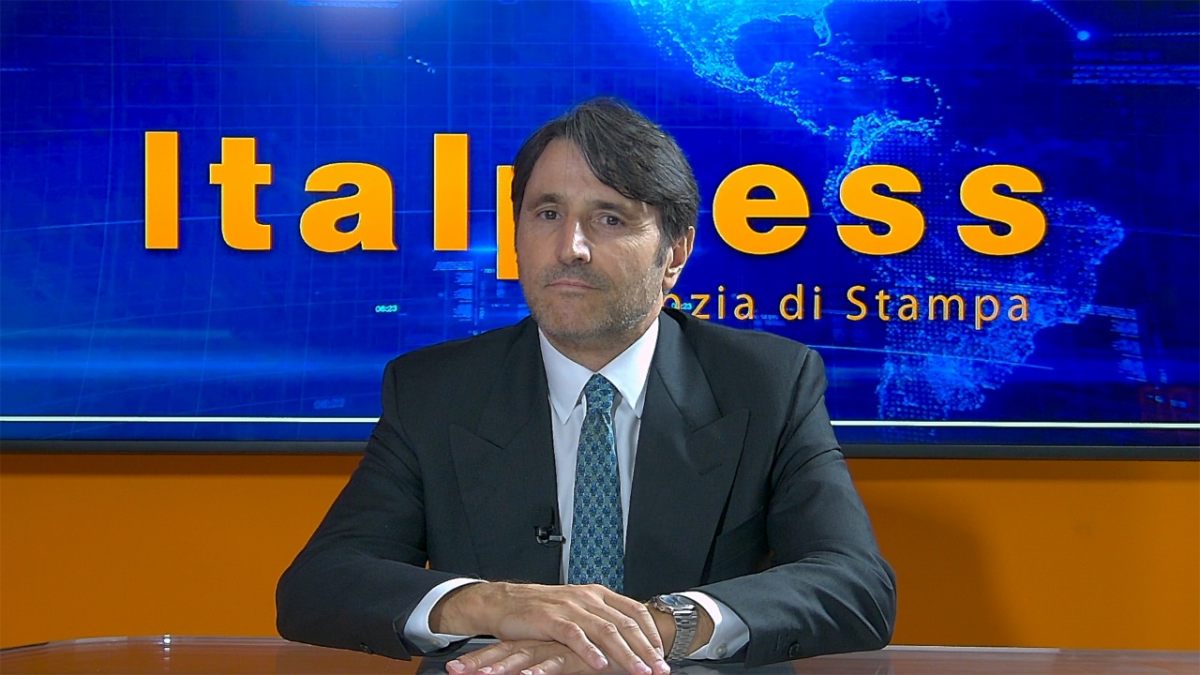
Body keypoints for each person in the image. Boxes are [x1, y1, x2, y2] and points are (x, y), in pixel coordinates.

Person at [276, 98, 896, 673]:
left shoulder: (767, 384)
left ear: (675, 254)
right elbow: (319, 583)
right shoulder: (433, 390)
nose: (569, 248)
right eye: (547, 214)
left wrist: (652, 629)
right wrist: (490, 604)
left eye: (609, 218)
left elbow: (855, 586)